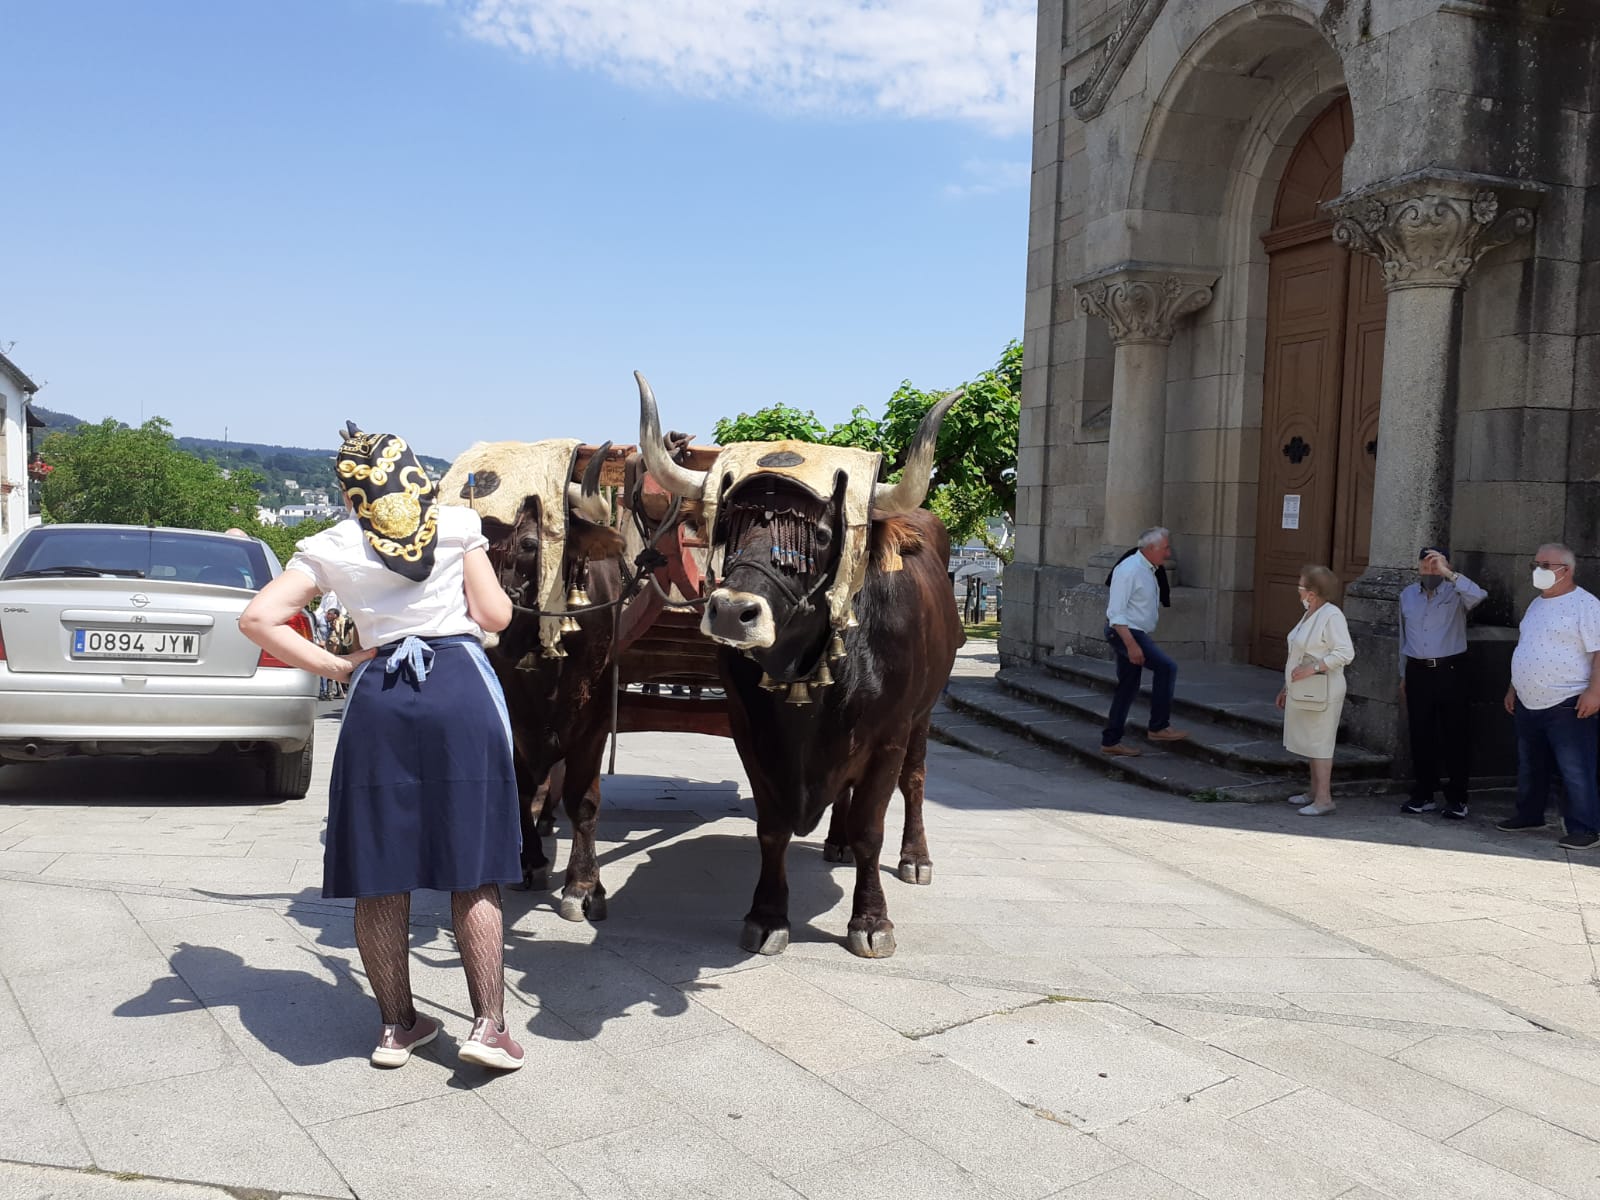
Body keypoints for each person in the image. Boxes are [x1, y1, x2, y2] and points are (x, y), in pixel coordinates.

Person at [240, 423, 527, 1070]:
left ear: (350, 494)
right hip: (460, 690)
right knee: (473, 868)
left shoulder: (331, 544)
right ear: (416, 477)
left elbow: (257, 618)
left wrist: (338, 666)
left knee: (380, 873)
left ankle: (397, 1028)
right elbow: (496, 618)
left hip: (380, 695)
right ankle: (489, 1028)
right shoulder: (456, 525)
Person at [1498, 543, 1600, 851]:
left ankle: (1586, 828)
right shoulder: (1536, 604)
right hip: (1529, 700)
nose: (1537, 570)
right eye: (1535, 564)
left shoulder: (1586, 605)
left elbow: (1599, 651)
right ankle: (1529, 814)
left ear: (1565, 570)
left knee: (1576, 769)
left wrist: (1595, 692)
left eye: (1544, 565)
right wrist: (1514, 687)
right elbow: (1526, 646)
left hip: (1567, 700)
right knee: (1531, 764)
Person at [1398, 547, 1487, 819]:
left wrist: (1448, 573)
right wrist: (1403, 674)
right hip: (1417, 670)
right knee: (1420, 733)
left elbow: (1479, 595)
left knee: (1455, 733)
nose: (1430, 572)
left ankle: (1457, 798)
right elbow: (1403, 636)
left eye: (1435, 566)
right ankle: (1424, 793)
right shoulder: (1407, 595)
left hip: (1451, 669)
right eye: (1425, 567)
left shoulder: (1456, 592)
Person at [1275, 564, 1355, 816]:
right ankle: (1313, 792)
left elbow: (1345, 653)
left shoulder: (1331, 615)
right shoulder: (1310, 613)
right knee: (1311, 742)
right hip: (1305, 688)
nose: (1297, 591)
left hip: (1324, 689)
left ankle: (1324, 799)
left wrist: (1313, 668)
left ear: (1312, 592)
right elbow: (1298, 654)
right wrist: (1286, 687)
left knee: (1321, 743)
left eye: (1300, 586)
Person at [1101, 526, 1188, 757]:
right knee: (1166, 668)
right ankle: (1158, 726)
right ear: (1150, 548)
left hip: (1134, 632)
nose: (1168, 554)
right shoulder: (1129, 569)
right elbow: (1116, 613)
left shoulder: (1148, 569)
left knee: (1127, 687)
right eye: (1165, 548)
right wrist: (1131, 644)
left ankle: (1111, 741)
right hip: (1126, 632)